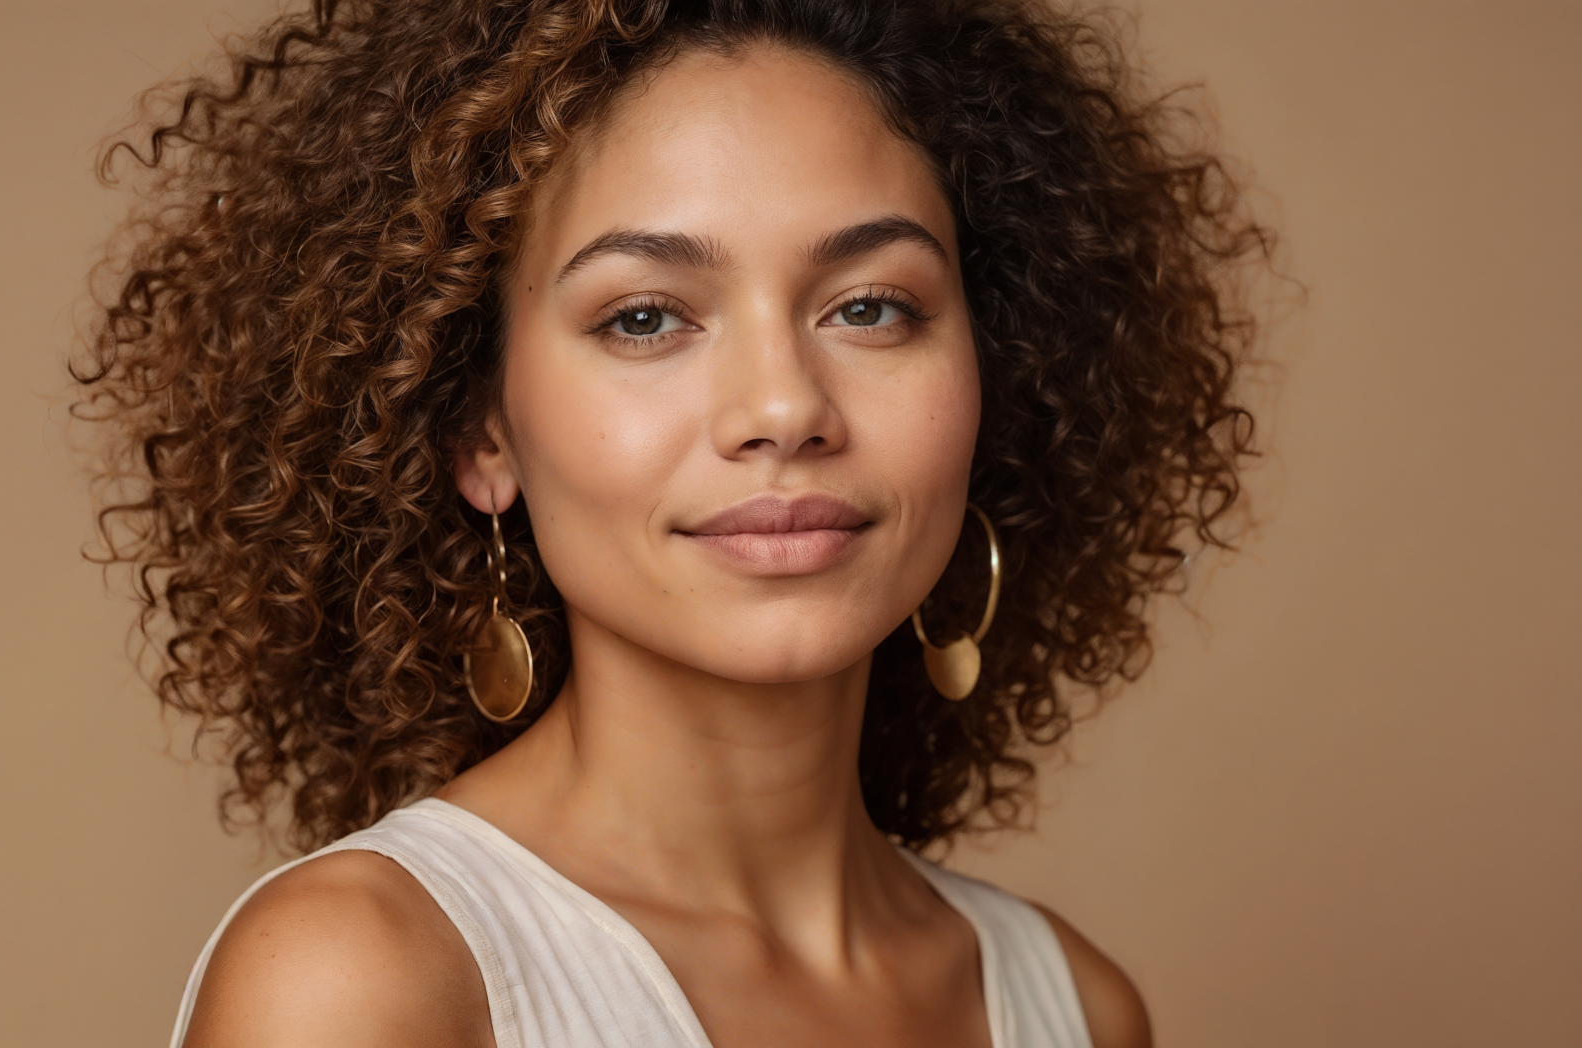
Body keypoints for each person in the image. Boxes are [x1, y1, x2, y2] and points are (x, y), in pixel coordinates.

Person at [76, 1, 1267, 1044]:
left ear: (992, 369)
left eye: (869, 307)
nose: (783, 409)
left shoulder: (1076, 1006)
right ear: (478, 429)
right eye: (644, 318)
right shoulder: (365, 977)